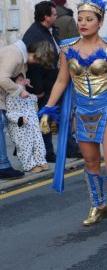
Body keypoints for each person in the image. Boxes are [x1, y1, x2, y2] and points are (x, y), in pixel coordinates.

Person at [38, 0, 107, 233]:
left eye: (89, 19)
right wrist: (47, 109)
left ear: (99, 22)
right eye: (80, 18)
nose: (83, 23)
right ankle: (98, 205)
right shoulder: (68, 48)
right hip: (83, 113)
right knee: (90, 161)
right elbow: (61, 81)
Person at [0, 40, 54, 180]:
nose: (35, 64)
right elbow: (3, 79)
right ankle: (3, 165)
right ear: (36, 55)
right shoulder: (15, 55)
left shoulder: (20, 57)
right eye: (37, 61)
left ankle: (4, 165)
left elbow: (12, 77)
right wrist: (19, 91)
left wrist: (24, 82)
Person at [22, 0, 62, 163]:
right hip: (44, 86)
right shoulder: (35, 34)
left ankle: (64, 148)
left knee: (53, 117)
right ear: (46, 17)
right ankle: (47, 152)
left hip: (54, 82)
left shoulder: (49, 31)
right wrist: (38, 90)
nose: (56, 16)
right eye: (54, 14)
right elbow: (35, 66)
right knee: (44, 118)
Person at [5, 74, 48, 173]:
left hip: (33, 125)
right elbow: (10, 113)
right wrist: (20, 119)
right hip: (21, 128)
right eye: (20, 80)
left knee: (39, 143)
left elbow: (37, 97)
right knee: (25, 146)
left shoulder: (28, 95)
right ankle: (29, 165)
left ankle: (40, 160)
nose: (23, 82)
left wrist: (28, 84)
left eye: (23, 80)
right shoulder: (11, 96)